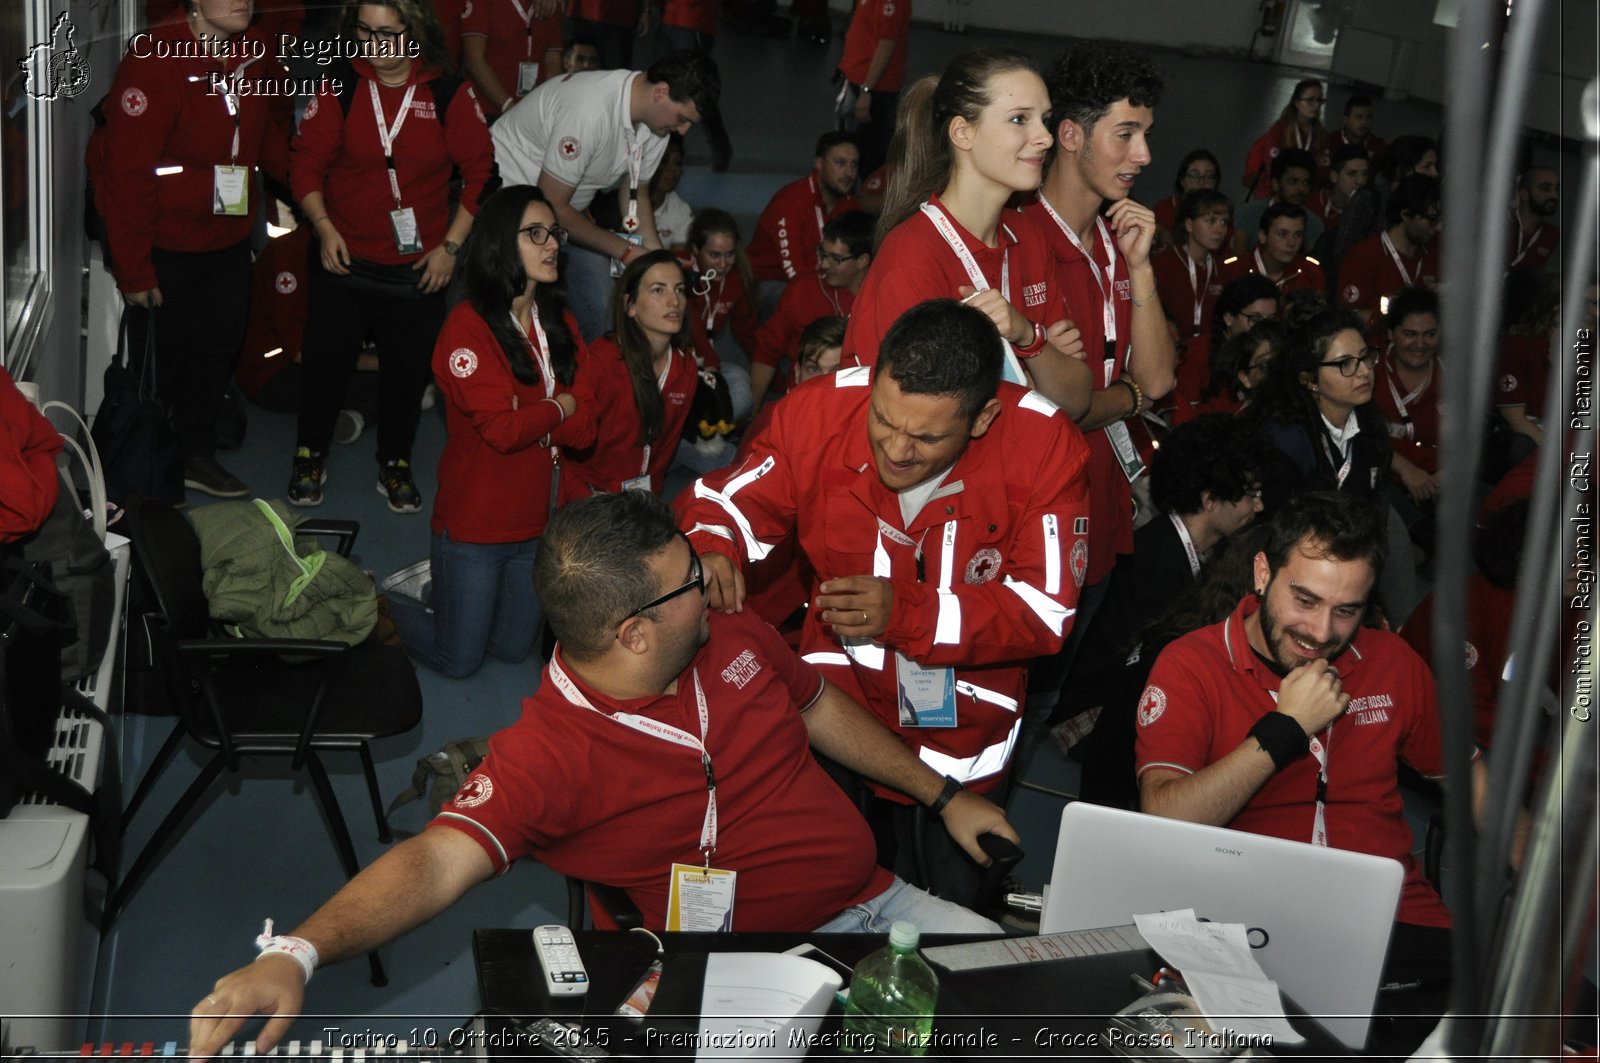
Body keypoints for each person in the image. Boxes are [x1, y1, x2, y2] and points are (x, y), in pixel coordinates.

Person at [185, 489, 1012, 1059]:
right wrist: (295, 952)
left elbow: (816, 701)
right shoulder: (551, 753)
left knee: (1033, 995)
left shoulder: (732, 635)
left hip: (878, 904)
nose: (713, 583)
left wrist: (943, 794)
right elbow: (434, 859)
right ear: (634, 634)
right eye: (691, 580)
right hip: (733, 972)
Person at [681, 299, 1092, 899]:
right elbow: (731, 499)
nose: (896, 450)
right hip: (835, 708)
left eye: (926, 437)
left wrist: (908, 613)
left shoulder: (1047, 448)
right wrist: (714, 544)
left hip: (963, 733)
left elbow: (1046, 612)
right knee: (817, 887)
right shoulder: (820, 409)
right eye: (883, 419)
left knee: (949, 909)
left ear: (981, 420)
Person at [1135, 491, 1479, 958]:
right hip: (1250, 921)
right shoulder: (1191, 665)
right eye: (1305, 600)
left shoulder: (1391, 662)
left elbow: (1473, 779)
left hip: (1390, 913)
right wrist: (1285, 729)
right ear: (1262, 574)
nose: (1320, 633)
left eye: (1346, 611)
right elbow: (1165, 821)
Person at [1018, 41, 1176, 746]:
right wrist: (1126, 396)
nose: (1143, 154)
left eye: (1146, 135)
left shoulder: (1118, 238)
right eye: (1127, 134)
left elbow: (1161, 378)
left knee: (1044, 694)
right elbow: (1069, 405)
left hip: (1105, 506)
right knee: (1006, 694)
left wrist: (1141, 271)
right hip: (1034, 518)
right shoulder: (1019, 241)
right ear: (1073, 135)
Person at [286, 0, 496, 514]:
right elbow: (305, 165)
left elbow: (482, 175)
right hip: (344, 255)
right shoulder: (342, 82)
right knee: (325, 365)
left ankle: (395, 461)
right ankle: (310, 454)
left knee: (407, 371)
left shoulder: (447, 90)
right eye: (364, 31)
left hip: (419, 267)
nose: (374, 43)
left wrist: (450, 247)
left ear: (416, 30)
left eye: (387, 32)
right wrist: (324, 226)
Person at [384, 185, 594, 678]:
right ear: (501, 243)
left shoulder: (559, 322)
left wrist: (539, 411)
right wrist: (561, 405)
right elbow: (501, 431)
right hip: (475, 528)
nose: (552, 245)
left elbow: (587, 428)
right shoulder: (468, 327)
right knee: (458, 662)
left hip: (539, 525)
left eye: (554, 234)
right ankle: (383, 604)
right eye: (535, 234)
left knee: (511, 648)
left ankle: (446, 591)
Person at [87, 0, 294, 499]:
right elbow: (127, 176)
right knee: (162, 360)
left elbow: (267, 137)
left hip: (227, 234)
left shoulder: (256, 49)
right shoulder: (155, 59)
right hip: (164, 241)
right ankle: (146, 468)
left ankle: (195, 454)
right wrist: (135, 272)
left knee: (218, 346)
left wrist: (313, 187)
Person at [844, 48, 1091, 419]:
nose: (1045, 138)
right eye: (1020, 119)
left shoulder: (1028, 235)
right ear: (963, 133)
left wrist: (1027, 336)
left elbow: (1075, 399)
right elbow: (919, 424)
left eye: (1045, 119)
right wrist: (1037, 372)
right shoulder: (912, 257)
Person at [1068, 415, 1265, 809]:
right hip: (1090, 710)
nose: (1259, 506)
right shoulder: (1158, 562)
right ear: (1210, 499)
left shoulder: (1182, 550)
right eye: (1250, 494)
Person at [491, 51, 720, 340]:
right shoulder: (591, 110)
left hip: (562, 214)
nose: (683, 131)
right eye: (683, 118)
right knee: (516, 313)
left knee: (602, 310)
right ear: (661, 92)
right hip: (506, 205)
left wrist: (657, 257)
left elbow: (636, 192)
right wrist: (626, 251)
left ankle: (590, 376)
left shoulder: (656, 124)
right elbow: (551, 208)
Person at [560, 250, 698, 498]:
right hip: (589, 498)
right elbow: (568, 448)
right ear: (630, 305)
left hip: (640, 498)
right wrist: (586, 498)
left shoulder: (684, 366)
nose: (674, 301)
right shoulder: (602, 361)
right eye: (658, 290)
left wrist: (650, 504)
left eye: (679, 290)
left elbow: (665, 449)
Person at [1248, 308, 1390, 503]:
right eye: (1345, 363)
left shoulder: (1371, 426)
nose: (1364, 371)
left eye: (1365, 357)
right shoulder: (1286, 442)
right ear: (1310, 380)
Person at [751, 209, 871, 411]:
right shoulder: (803, 290)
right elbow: (766, 352)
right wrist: (754, 413)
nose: (824, 264)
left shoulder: (880, 298)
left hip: (856, 409)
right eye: (822, 254)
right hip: (802, 405)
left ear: (862, 260)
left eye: (836, 259)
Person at [746, 131, 862, 291]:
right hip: (770, 282)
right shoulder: (789, 203)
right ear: (819, 164)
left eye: (854, 164)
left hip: (821, 280)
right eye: (840, 163)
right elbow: (794, 273)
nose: (849, 173)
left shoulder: (849, 205)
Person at [1336, 174, 1441, 328]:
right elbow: (1348, 318)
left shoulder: (1436, 250)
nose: (1437, 227)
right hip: (1381, 347)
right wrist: (1395, 312)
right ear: (1405, 214)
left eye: (1440, 220)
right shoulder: (1363, 256)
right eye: (1431, 220)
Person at [682, 209, 757, 420]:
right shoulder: (678, 270)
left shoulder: (737, 280)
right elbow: (689, 323)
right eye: (714, 255)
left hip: (708, 365)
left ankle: (710, 426)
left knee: (742, 384)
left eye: (729, 254)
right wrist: (709, 363)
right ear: (696, 249)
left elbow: (747, 333)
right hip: (674, 361)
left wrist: (775, 376)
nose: (723, 264)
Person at [1373, 287, 1443, 512]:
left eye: (1430, 334)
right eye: (1410, 334)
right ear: (1391, 333)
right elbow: (1352, 435)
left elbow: (1470, 442)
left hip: (1442, 483)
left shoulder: (1455, 376)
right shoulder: (1367, 371)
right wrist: (1404, 468)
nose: (1420, 345)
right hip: (1382, 483)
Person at [1170, 273, 1279, 413]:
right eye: (1255, 319)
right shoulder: (1196, 354)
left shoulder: (1276, 352)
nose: (1263, 328)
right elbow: (1183, 415)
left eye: (1270, 320)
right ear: (1229, 318)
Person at [645, 0, 734, 170]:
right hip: (669, 15)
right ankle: (671, 147)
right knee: (664, 81)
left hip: (693, 18)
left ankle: (719, 145)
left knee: (696, 88)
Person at [833, 0, 911, 178]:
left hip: (874, 87)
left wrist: (867, 90)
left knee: (869, 154)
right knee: (849, 145)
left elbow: (886, 45)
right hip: (857, 79)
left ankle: (864, 198)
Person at [461, 0, 563, 119]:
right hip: (486, 112)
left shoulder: (550, 5)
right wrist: (507, 105)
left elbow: (552, 60)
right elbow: (474, 60)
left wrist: (545, 106)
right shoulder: (483, 3)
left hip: (533, 115)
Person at [1152, 189, 1231, 343]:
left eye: (1224, 222)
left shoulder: (1222, 271)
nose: (1219, 229)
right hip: (1170, 351)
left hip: (1209, 355)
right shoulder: (1163, 265)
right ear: (1189, 224)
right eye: (1211, 221)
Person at [1176, 318, 1286, 425]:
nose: (1278, 371)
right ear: (1245, 378)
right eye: (1265, 365)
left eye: (1285, 361)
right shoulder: (1234, 426)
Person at [1242, 78, 1326, 202]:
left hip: (1304, 189)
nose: (1316, 105)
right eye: (1310, 100)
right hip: (1275, 190)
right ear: (1296, 102)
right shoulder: (1280, 130)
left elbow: (1322, 168)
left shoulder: (1320, 133)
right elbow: (1272, 167)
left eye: (1320, 101)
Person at [1233, 148, 1323, 256]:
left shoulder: (1314, 224)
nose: (1300, 189)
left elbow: (1311, 268)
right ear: (1275, 184)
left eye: (1305, 183)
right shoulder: (1247, 214)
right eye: (1293, 182)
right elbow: (1238, 265)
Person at [1221, 203, 1325, 293]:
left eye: (1297, 235)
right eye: (1282, 234)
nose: (1291, 243)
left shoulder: (1311, 272)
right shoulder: (1234, 271)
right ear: (1263, 236)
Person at [1151, 149, 1230, 249]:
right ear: (1182, 180)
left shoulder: (1222, 211)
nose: (1201, 182)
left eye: (1208, 176)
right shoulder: (1164, 209)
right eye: (1194, 176)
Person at [1506, 165, 1560, 273]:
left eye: (1557, 189)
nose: (1554, 195)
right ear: (1524, 194)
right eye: (1545, 188)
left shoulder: (1551, 234)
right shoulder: (1501, 224)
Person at [646, 134, 693, 250]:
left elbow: (679, 258)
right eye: (663, 161)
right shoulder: (620, 203)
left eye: (677, 163)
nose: (672, 169)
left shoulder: (681, 210)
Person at [1309, 144, 1370, 231]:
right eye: (1352, 174)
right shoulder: (1314, 203)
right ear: (1334, 176)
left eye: (1364, 174)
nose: (1360, 181)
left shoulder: (1369, 210)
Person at [1328, 94, 1385, 166]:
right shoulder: (1329, 142)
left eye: (1368, 117)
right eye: (1358, 117)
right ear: (1346, 120)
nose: (1364, 122)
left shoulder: (1378, 147)